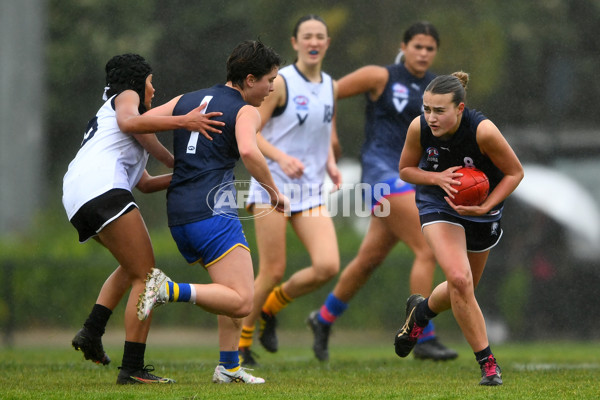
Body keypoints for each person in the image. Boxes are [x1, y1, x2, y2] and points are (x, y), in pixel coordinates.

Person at [64, 53, 224, 384]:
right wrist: (184, 121)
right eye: (151, 82)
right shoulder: (126, 98)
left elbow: (149, 182)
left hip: (78, 194)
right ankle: (132, 368)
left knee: (133, 266)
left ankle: (92, 331)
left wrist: (199, 173)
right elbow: (129, 121)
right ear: (137, 82)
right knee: (149, 277)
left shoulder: (132, 124)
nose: (153, 89)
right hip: (100, 187)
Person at [136, 40, 288, 384]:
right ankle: (167, 290)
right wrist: (273, 193)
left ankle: (229, 367)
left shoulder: (189, 100)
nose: (271, 88)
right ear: (250, 79)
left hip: (179, 214)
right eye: (269, 80)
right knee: (242, 301)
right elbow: (249, 152)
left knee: (230, 289)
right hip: (213, 214)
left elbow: (139, 124)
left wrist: (173, 163)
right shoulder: (245, 110)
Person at [307, 21, 457, 362]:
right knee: (426, 247)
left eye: (429, 48)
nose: (423, 53)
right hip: (379, 175)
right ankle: (422, 335)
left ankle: (323, 318)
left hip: (409, 178)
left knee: (368, 261)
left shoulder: (436, 88)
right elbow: (326, 93)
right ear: (403, 46)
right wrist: (330, 134)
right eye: (417, 46)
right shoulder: (380, 76)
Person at [395, 71, 524, 386]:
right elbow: (406, 169)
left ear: (460, 109)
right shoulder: (419, 127)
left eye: (439, 110)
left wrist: (484, 205)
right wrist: (437, 178)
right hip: (437, 203)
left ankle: (420, 314)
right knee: (458, 278)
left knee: (462, 289)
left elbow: (514, 172)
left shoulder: (483, 131)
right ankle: (488, 364)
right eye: (427, 109)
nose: (431, 117)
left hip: (482, 209)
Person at [233, 15, 341, 366]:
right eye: (307, 36)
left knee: (327, 266)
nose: (314, 41)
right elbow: (254, 132)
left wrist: (330, 164)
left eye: (320, 36)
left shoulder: (331, 85)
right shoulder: (281, 83)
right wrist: (283, 158)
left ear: (326, 43)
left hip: (310, 189)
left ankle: (270, 308)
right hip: (272, 184)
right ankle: (242, 345)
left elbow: (323, 134)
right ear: (295, 43)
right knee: (273, 270)